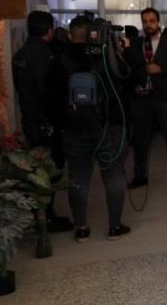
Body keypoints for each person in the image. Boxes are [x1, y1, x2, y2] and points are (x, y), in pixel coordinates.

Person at [47, 15, 131, 242]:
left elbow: (52, 98)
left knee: (78, 179)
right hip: (107, 128)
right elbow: (125, 80)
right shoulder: (106, 57)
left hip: (74, 131)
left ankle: (82, 228)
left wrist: (62, 123)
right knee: (113, 177)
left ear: (71, 35)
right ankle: (114, 227)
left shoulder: (60, 60)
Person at [12, 10, 73, 233]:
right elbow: (49, 94)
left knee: (37, 172)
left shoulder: (20, 54)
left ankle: (42, 216)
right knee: (50, 172)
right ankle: (46, 219)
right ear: (49, 30)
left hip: (30, 121)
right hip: (46, 124)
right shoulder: (44, 57)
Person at [125, 8, 167, 189]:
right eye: (145, 21)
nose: (148, 25)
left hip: (165, 98)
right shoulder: (136, 43)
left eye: (151, 21)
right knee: (140, 140)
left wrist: (160, 69)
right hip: (142, 98)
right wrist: (135, 85)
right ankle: (140, 176)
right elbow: (131, 70)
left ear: (158, 22)